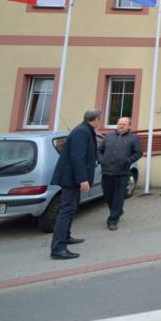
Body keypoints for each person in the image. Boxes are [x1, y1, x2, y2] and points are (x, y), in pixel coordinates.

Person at [49, 108, 101, 260]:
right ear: (96, 119)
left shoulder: (85, 130)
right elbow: (77, 157)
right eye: (100, 119)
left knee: (71, 208)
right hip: (71, 178)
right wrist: (82, 179)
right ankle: (58, 248)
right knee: (66, 210)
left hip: (72, 178)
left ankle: (66, 236)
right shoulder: (82, 132)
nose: (100, 121)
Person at [97, 116, 141, 230]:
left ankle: (112, 220)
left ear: (129, 126)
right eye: (119, 123)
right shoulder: (108, 137)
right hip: (106, 172)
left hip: (122, 173)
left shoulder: (133, 138)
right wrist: (101, 160)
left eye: (124, 124)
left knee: (118, 197)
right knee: (108, 196)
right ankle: (118, 211)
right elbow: (99, 151)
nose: (121, 126)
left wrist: (128, 161)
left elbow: (138, 153)